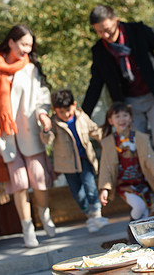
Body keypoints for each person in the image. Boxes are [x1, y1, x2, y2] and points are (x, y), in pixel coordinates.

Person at [82, 5, 154, 216]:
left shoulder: (139, 31)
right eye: (99, 31)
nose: (104, 35)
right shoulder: (99, 51)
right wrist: (82, 114)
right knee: (140, 149)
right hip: (129, 106)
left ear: (115, 19)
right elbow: (95, 84)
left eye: (106, 28)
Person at [0, 25, 56, 248]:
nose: (27, 49)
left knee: (38, 178)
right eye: (23, 44)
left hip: (28, 130)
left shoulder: (30, 68)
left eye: (30, 45)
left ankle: (44, 213)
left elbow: (41, 94)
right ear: (11, 42)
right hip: (4, 134)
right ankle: (27, 227)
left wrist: (42, 113)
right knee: (18, 181)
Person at [98, 102, 154, 241]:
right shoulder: (108, 142)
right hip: (124, 184)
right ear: (110, 120)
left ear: (131, 118)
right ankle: (131, 231)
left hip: (141, 182)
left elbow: (150, 157)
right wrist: (104, 188)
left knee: (144, 213)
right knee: (139, 206)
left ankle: (140, 241)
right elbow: (105, 167)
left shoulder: (140, 138)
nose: (122, 119)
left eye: (125, 115)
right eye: (117, 116)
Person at [40, 89, 109, 233]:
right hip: (67, 165)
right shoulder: (55, 123)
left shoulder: (81, 117)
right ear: (54, 110)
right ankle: (89, 215)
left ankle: (97, 213)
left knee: (90, 185)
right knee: (77, 192)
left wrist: (108, 139)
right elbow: (48, 140)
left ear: (74, 105)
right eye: (61, 112)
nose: (65, 115)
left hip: (85, 159)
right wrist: (45, 130)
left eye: (68, 110)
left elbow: (95, 130)